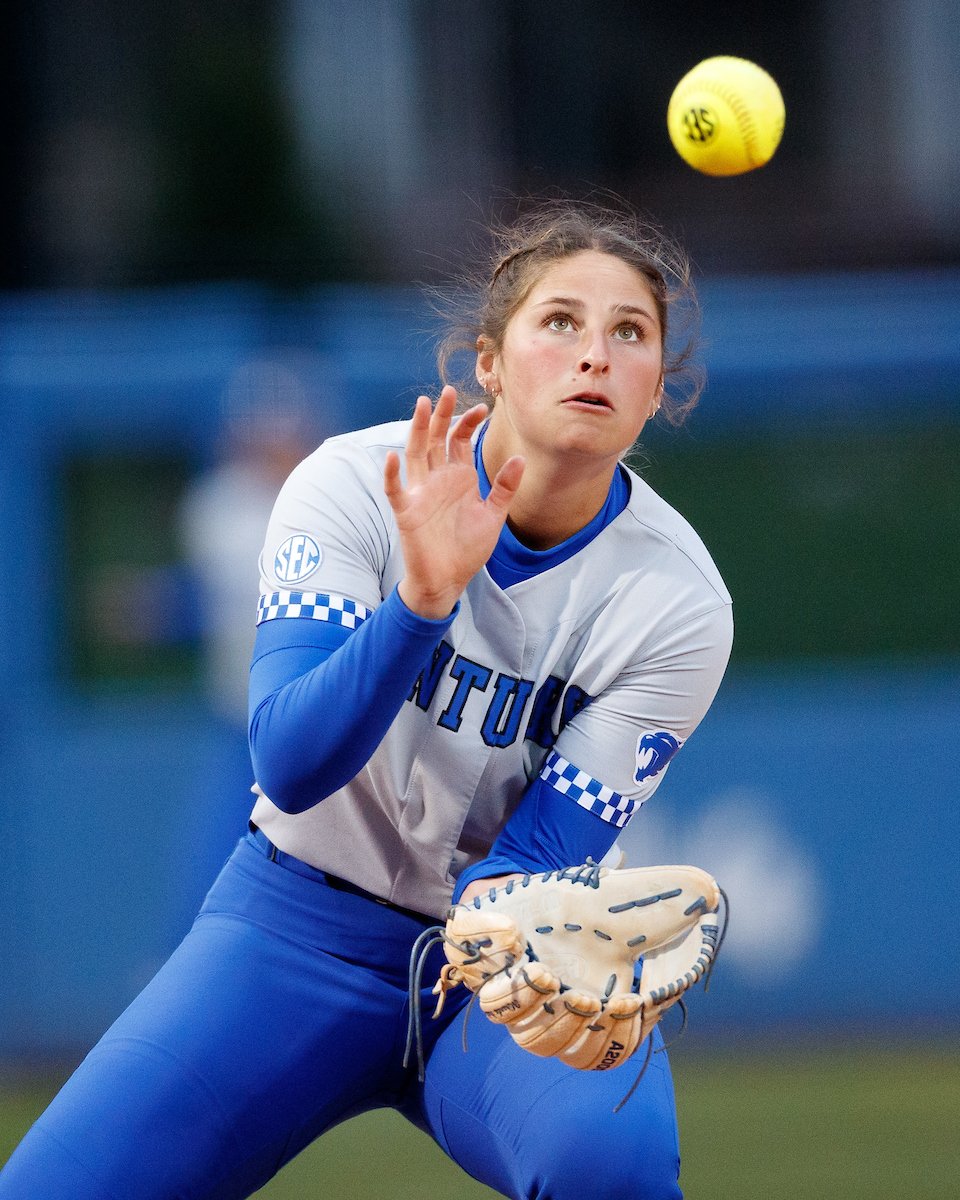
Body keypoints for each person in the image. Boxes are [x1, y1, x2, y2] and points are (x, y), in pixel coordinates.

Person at [0, 203, 732, 1200]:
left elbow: (540, 855)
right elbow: (291, 765)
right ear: (490, 361)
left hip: (494, 972)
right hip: (292, 925)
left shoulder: (677, 601)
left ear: (658, 393)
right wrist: (420, 604)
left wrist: (531, 946)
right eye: (559, 322)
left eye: (629, 334)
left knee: (612, 1164)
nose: (594, 355)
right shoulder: (352, 485)